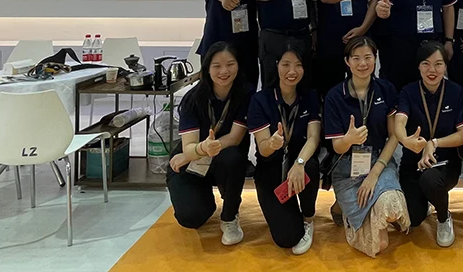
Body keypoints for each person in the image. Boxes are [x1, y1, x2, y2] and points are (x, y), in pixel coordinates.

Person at [324, 37, 410, 257]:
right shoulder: (335, 96)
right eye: (356, 58)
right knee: (379, 244)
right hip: (347, 167)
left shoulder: (386, 89)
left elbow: (394, 135)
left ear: (375, 58)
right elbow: (337, 147)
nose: (363, 63)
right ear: (347, 61)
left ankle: (374, 206)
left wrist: (374, 174)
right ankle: (346, 208)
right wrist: (348, 139)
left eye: (368, 57)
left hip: (379, 162)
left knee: (392, 207)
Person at [167, 42, 254, 245]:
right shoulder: (193, 98)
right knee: (191, 218)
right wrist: (198, 150)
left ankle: (230, 217)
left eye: (230, 64)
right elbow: (189, 145)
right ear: (207, 68)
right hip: (193, 158)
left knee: (233, 158)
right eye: (217, 66)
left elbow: (234, 138)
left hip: (223, 155)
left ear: (238, 65)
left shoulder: (246, 94)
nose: (224, 71)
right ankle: (203, 199)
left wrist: (194, 153)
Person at [394, 41, 463, 247]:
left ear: (445, 66)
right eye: (426, 64)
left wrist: (434, 143)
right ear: (418, 66)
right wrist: (405, 140)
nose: (432, 70)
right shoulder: (408, 91)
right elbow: (399, 123)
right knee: (413, 219)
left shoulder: (456, 91)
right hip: (413, 163)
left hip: (445, 163)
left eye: (438, 64)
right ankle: (425, 202)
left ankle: (444, 217)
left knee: (430, 180)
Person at [248, 44, 320, 254]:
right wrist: (271, 143)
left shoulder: (309, 97)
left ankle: (308, 219)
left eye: (298, 65)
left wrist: (299, 163)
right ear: (276, 66)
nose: (292, 71)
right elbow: (263, 150)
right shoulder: (261, 100)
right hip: (271, 169)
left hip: (298, 164)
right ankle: (288, 214)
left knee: (311, 166)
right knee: (287, 238)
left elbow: (313, 137)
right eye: (286, 64)